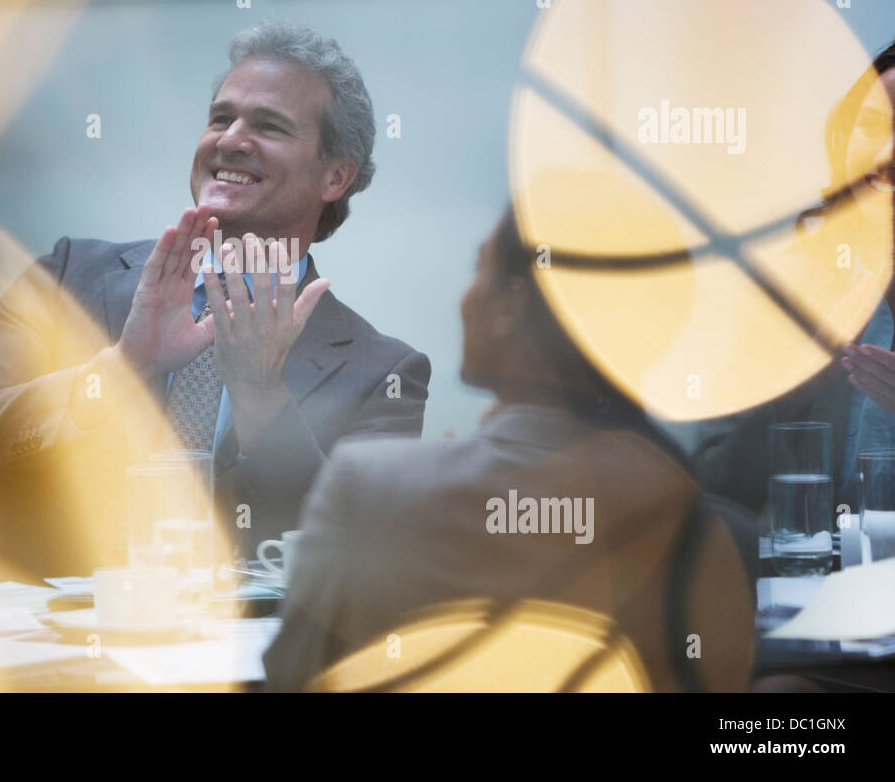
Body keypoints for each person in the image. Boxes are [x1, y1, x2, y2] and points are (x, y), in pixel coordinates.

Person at [0, 22, 431, 579]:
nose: (230, 139)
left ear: (335, 176)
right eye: (220, 118)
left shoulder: (383, 372)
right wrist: (117, 369)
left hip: (242, 657)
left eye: (270, 126)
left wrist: (261, 395)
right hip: (50, 653)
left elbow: (363, 560)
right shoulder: (68, 278)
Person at [263, 207, 755, 692]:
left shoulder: (370, 485)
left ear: (509, 308)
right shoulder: (717, 531)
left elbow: (293, 679)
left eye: (480, 268)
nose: (465, 296)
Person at [687, 38, 895, 513]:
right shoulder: (785, 289)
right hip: (804, 580)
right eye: (871, 125)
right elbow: (711, 488)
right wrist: (791, 395)